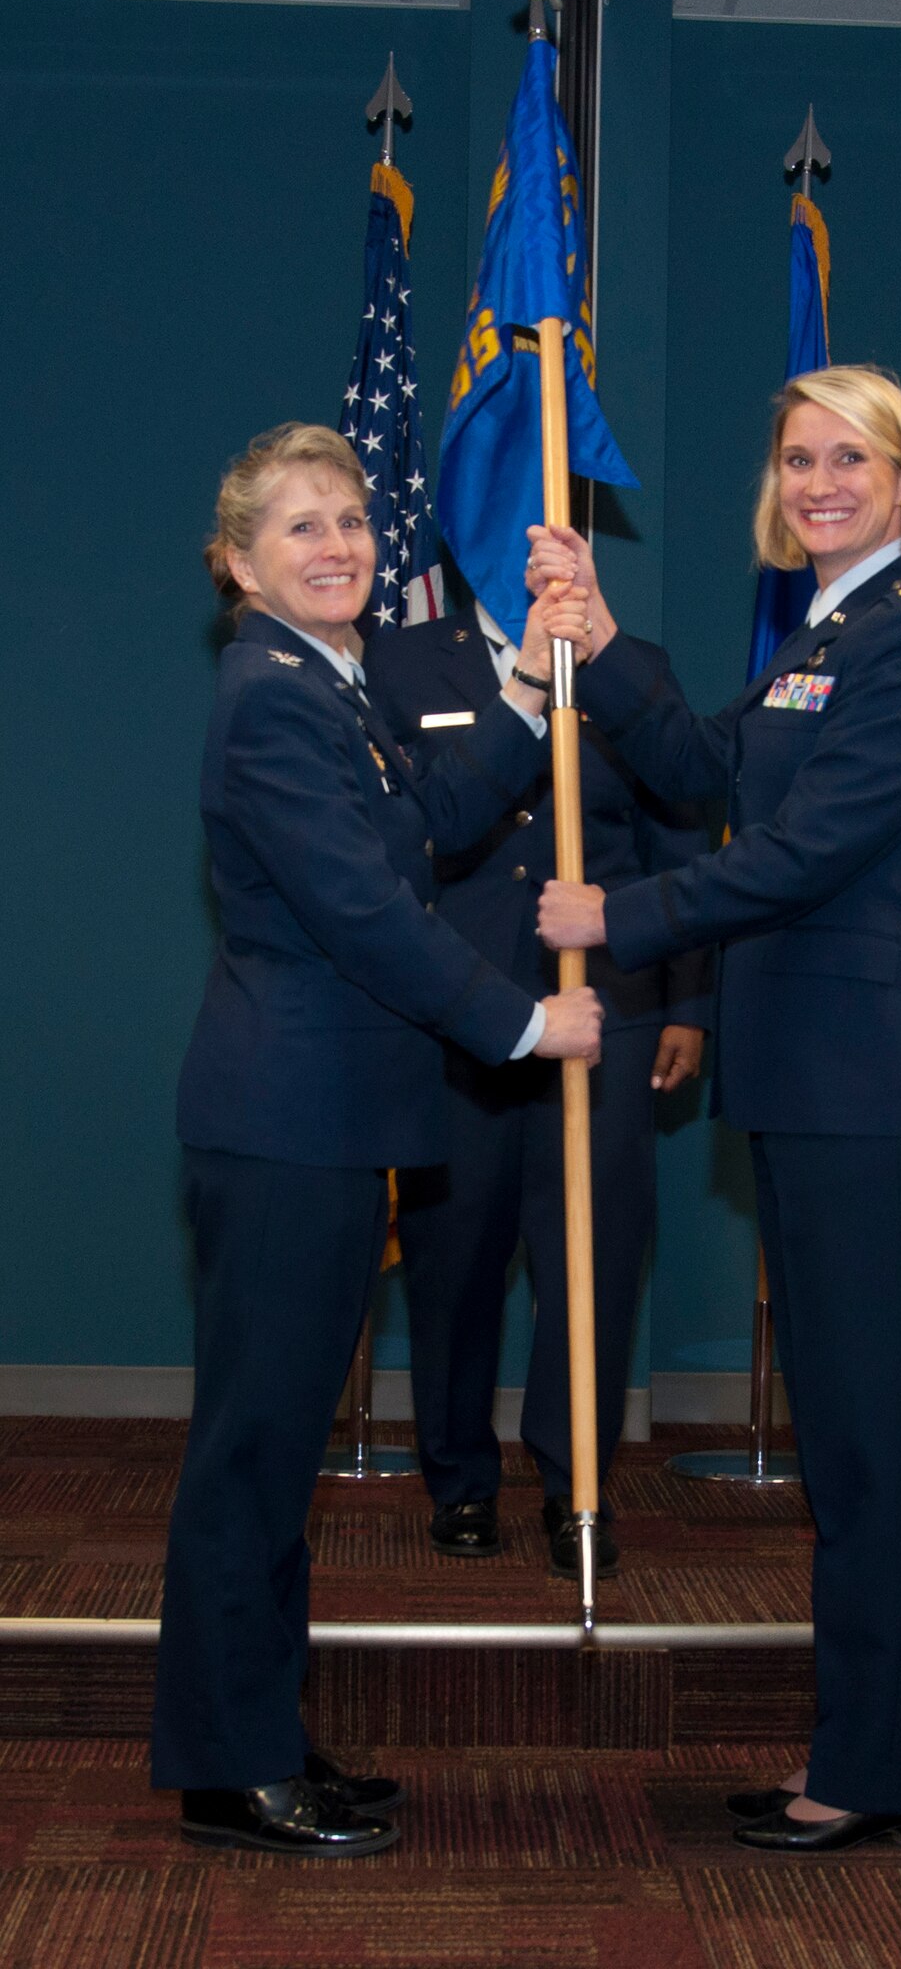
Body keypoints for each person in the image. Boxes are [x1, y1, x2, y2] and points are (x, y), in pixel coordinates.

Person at [533, 366, 901, 1855]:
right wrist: (601, 648)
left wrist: (615, 912)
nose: (817, 483)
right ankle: (868, 1753)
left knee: (877, 1445)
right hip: (811, 1085)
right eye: (797, 459)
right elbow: (714, 771)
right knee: (847, 1440)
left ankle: (881, 1771)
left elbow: (799, 856)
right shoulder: (826, 633)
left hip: (879, 1089)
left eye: (849, 458)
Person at [151, 424, 601, 1857]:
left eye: (349, 518)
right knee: (254, 1454)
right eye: (299, 528)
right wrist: (524, 1030)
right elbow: (363, 912)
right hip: (288, 1122)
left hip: (326, 1125)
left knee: (276, 1456)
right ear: (234, 563)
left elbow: (434, 825)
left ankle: (262, 1737)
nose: (337, 544)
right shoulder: (276, 698)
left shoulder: (328, 684)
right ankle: (230, 1771)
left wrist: (529, 675)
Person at [362, 598, 712, 1576]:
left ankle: (575, 1485)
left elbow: (678, 833)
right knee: (454, 1254)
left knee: (590, 1256)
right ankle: (461, 1478)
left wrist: (689, 1000)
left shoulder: (629, 659)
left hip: (604, 1006)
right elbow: (397, 842)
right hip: (458, 1008)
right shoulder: (401, 661)